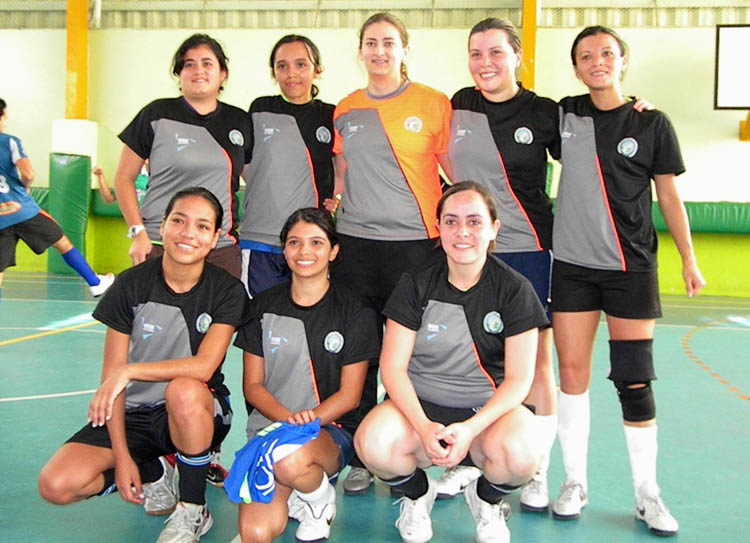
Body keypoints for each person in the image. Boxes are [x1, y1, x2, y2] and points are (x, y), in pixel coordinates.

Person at [550, 26, 705, 536]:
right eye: (586, 56)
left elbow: (669, 197)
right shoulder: (564, 115)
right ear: (575, 67)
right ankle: (574, 482)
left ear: (623, 62)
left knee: (634, 381)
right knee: (571, 378)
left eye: (607, 54)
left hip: (630, 267)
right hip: (573, 266)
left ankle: (647, 492)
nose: (597, 61)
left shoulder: (652, 121)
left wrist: (688, 258)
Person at [37, 187, 249, 543]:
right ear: (162, 226)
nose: (187, 233)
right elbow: (112, 379)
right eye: (178, 221)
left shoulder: (226, 291)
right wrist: (123, 459)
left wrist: (131, 371)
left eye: (201, 226)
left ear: (215, 239)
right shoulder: (130, 284)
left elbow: (204, 366)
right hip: (134, 412)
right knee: (56, 485)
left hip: (194, 409)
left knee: (183, 389)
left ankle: (193, 508)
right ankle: (155, 469)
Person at [355, 182, 549, 543]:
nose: (462, 232)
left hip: (486, 411)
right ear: (439, 228)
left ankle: (486, 500)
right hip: (421, 408)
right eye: (452, 221)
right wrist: (424, 426)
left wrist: (471, 428)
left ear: (494, 229)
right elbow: (393, 369)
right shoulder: (415, 284)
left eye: (475, 222)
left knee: (522, 455)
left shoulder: (515, 290)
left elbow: (519, 380)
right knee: (372, 443)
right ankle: (417, 495)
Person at [327, 11, 452, 495]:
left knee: (414, 354)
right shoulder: (345, 108)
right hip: (356, 247)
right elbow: (342, 172)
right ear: (359, 51)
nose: (379, 52)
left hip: (416, 248)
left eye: (389, 43)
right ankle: (361, 452)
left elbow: (454, 173)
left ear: (404, 50)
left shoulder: (433, 103)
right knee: (360, 350)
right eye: (371, 43)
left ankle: (424, 448)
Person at [444, 18, 559, 509]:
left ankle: (535, 468)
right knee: (470, 356)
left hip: (528, 248)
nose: (485, 63)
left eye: (495, 52)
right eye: (476, 53)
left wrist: (638, 109)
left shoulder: (546, 112)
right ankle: (469, 461)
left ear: (518, 56)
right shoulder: (458, 105)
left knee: (534, 365)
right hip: (470, 249)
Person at [232, 208, 380, 543]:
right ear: (284, 250)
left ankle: (317, 499)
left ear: (333, 250)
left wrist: (303, 424)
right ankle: (303, 488)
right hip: (271, 431)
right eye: (295, 243)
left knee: (291, 459)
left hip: (328, 432)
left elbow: (350, 396)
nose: (304, 252)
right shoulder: (263, 306)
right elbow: (252, 386)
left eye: (316, 242)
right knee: (254, 533)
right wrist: (286, 422)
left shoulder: (355, 311)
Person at [113, 33, 252, 278]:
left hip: (219, 251)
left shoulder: (240, 121)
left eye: (207, 63)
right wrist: (138, 233)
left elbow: (258, 180)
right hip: (160, 246)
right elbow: (123, 178)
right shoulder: (156, 114)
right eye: (189, 64)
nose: (198, 70)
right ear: (179, 74)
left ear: (222, 74)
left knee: (223, 317)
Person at [239, 35, 334, 298]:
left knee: (307, 320)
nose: (291, 73)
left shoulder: (331, 116)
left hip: (310, 243)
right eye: (282, 66)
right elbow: (245, 164)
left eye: (301, 64)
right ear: (274, 72)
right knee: (261, 319)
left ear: (317, 69)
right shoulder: (260, 109)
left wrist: (336, 198)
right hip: (261, 240)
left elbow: (344, 167)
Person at [0, 98, 113, 300]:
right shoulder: (9, 141)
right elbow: (28, 174)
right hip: (22, 210)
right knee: (62, 243)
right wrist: (24, 189)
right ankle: (94, 283)